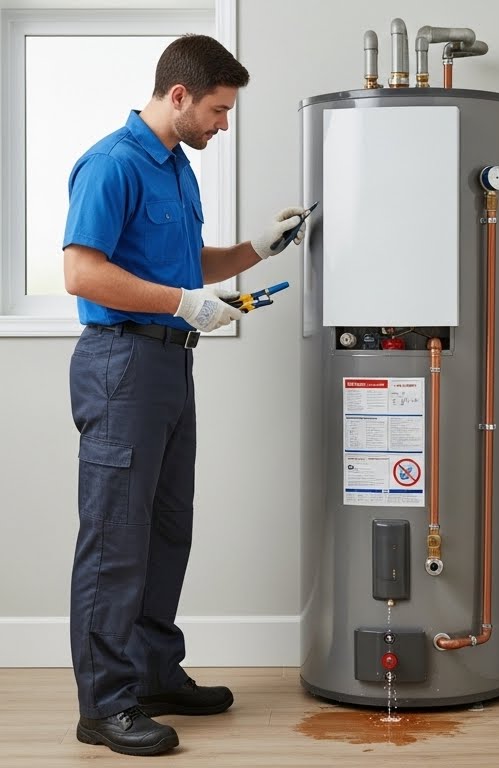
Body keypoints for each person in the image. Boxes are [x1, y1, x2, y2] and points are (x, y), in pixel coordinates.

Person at [62, 34, 307, 756]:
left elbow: (186, 261)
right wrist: (182, 303)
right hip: (120, 367)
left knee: (166, 530)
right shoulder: (111, 163)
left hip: (168, 368)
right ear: (179, 96)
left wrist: (260, 248)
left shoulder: (175, 169)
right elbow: (82, 273)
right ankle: (104, 707)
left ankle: (154, 675)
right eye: (218, 111)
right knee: (115, 540)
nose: (222, 125)